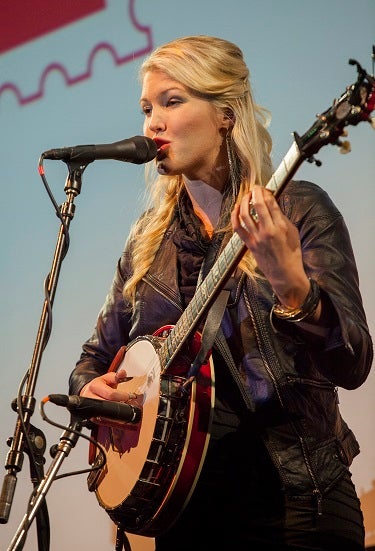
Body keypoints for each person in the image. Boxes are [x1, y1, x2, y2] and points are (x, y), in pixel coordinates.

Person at [69, 35, 373, 550]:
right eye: (147, 108)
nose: (153, 123)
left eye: (172, 101)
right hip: (185, 518)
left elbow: (354, 361)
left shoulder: (297, 209)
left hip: (298, 507)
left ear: (226, 115)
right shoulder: (148, 242)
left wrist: (293, 286)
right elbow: (94, 359)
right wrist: (91, 392)